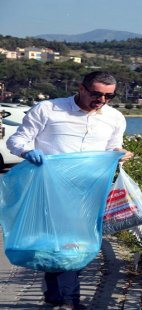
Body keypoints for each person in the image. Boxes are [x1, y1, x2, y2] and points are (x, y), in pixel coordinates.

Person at [7, 71, 133, 309]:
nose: (102, 101)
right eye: (96, 94)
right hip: (48, 188)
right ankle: (62, 297)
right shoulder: (48, 109)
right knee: (54, 243)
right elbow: (17, 141)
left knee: (79, 243)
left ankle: (66, 298)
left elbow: (112, 147)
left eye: (109, 96)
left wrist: (121, 153)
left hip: (89, 190)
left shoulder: (114, 118)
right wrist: (27, 152)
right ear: (81, 88)